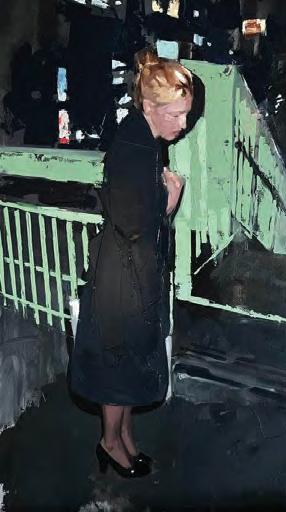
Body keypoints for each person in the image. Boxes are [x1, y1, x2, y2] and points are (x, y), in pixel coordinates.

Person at [69, 48, 193, 478]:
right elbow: (133, 220)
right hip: (123, 274)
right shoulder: (135, 147)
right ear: (150, 107)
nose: (183, 124)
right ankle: (110, 442)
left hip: (129, 266)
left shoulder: (142, 137)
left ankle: (122, 434)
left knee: (125, 357)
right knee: (117, 360)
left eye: (185, 114)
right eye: (176, 114)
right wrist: (168, 202)